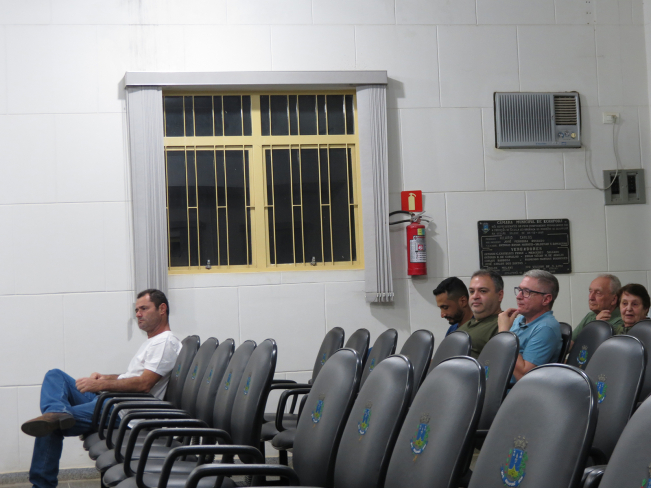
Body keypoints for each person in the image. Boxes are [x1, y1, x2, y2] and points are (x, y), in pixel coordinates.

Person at [22, 289, 182, 488]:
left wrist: (101, 384)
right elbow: (134, 377)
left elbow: (143, 384)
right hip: (115, 401)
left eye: (144, 308)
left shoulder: (165, 342)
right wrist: (107, 377)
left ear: (162, 309)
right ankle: (56, 412)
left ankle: (42, 482)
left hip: (125, 411)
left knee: (51, 425)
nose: (138, 314)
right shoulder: (153, 342)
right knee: (55, 375)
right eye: (136, 310)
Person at [498, 269, 562, 382]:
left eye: (526, 292)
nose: (518, 296)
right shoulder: (519, 320)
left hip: (513, 390)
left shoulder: (546, 328)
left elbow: (524, 376)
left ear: (546, 299)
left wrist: (504, 333)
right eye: (519, 290)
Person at [456, 270, 504, 358]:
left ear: (500, 295)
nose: (475, 296)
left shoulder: (503, 324)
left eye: (483, 291)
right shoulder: (466, 324)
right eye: (472, 291)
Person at [571, 274, 623, 347]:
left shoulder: (621, 320)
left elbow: (596, 349)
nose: (591, 297)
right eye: (590, 292)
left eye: (598, 293)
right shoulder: (590, 316)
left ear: (614, 299)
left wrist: (596, 326)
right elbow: (571, 343)